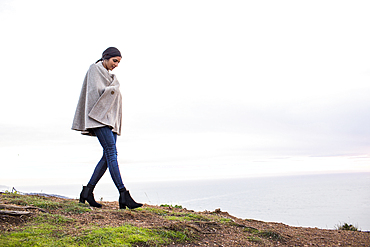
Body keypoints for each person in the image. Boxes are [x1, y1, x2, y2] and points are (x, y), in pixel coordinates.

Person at [72, 47, 142, 210]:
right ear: (106, 58)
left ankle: (87, 192)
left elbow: (111, 93)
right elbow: (95, 93)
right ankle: (123, 194)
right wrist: (113, 89)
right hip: (98, 117)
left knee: (107, 155)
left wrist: (113, 89)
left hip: (109, 119)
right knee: (112, 153)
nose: (116, 64)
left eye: (119, 62)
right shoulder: (94, 69)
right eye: (114, 61)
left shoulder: (110, 76)